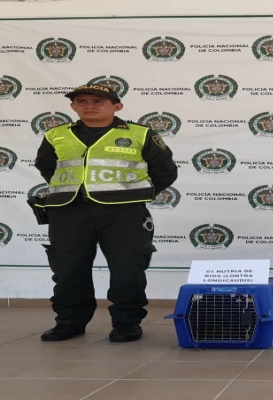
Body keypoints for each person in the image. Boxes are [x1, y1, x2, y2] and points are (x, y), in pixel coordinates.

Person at [34, 84, 178, 342]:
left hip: (124, 212)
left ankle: (126, 324)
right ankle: (69, 323)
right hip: (68, 211)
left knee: (127, 268)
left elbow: (165, 170)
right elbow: (46, 167)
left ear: (117, 106)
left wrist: (135, 193)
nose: (89, 106)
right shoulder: (56, 134)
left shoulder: (140, 133)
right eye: (82, 101)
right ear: (73, 106)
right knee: (68, 269)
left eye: (98, 101)